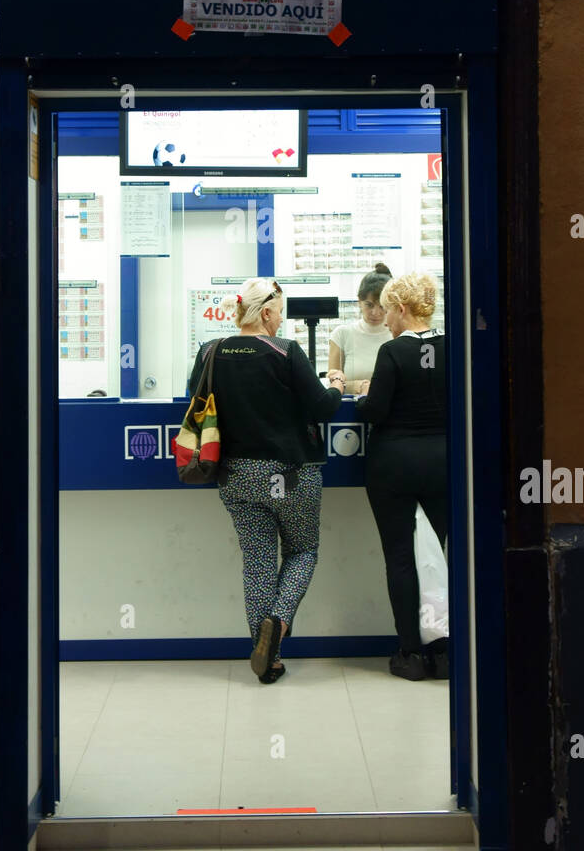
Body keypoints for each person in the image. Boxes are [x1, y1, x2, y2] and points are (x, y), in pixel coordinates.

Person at [188, 277, 344, 684]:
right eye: (281, 311)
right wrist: (337, 383)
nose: (282, 319)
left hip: (237, 474)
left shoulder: (211, 351)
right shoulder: (286, 351)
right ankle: (279, 619)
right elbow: (324, 408)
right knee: (303, 551)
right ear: (268, 312)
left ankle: (268, 657)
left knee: (257, 565)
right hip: (291, 473)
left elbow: (195, 397)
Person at [355, 272, 448, 682]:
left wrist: (358, 396)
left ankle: (410, 653)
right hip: (444, 462)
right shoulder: (451, 346)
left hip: (393, 464)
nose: (386, 318)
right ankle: (445, 649)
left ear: (403, 309)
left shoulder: (392, 353)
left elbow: (376, 411)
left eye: (389, 309)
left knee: (400, 556)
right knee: (446, 556)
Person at [327, 263, 393, 394]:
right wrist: (358, 386)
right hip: (351, 409)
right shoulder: (342, 334)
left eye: (382, 306)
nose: (375, 312)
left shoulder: (398, 336)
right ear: (359, 301)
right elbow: (332, 383)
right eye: (369, 305)